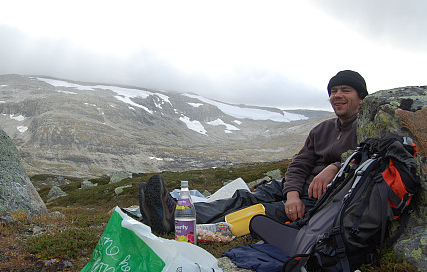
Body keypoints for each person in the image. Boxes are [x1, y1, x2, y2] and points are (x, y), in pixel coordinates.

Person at [139, 70, 368, 233]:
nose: (337, 95)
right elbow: (300, 164)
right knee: (244, 198)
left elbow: (369, 159)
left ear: (361, 98)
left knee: (259, 212)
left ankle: (178, 224)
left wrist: (336, 166)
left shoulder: (370, 130)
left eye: (345, 90)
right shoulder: (323, 129)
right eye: (333, 91)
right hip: (295, 190)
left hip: (320, 201)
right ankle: (174, 212)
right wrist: (292, 194)